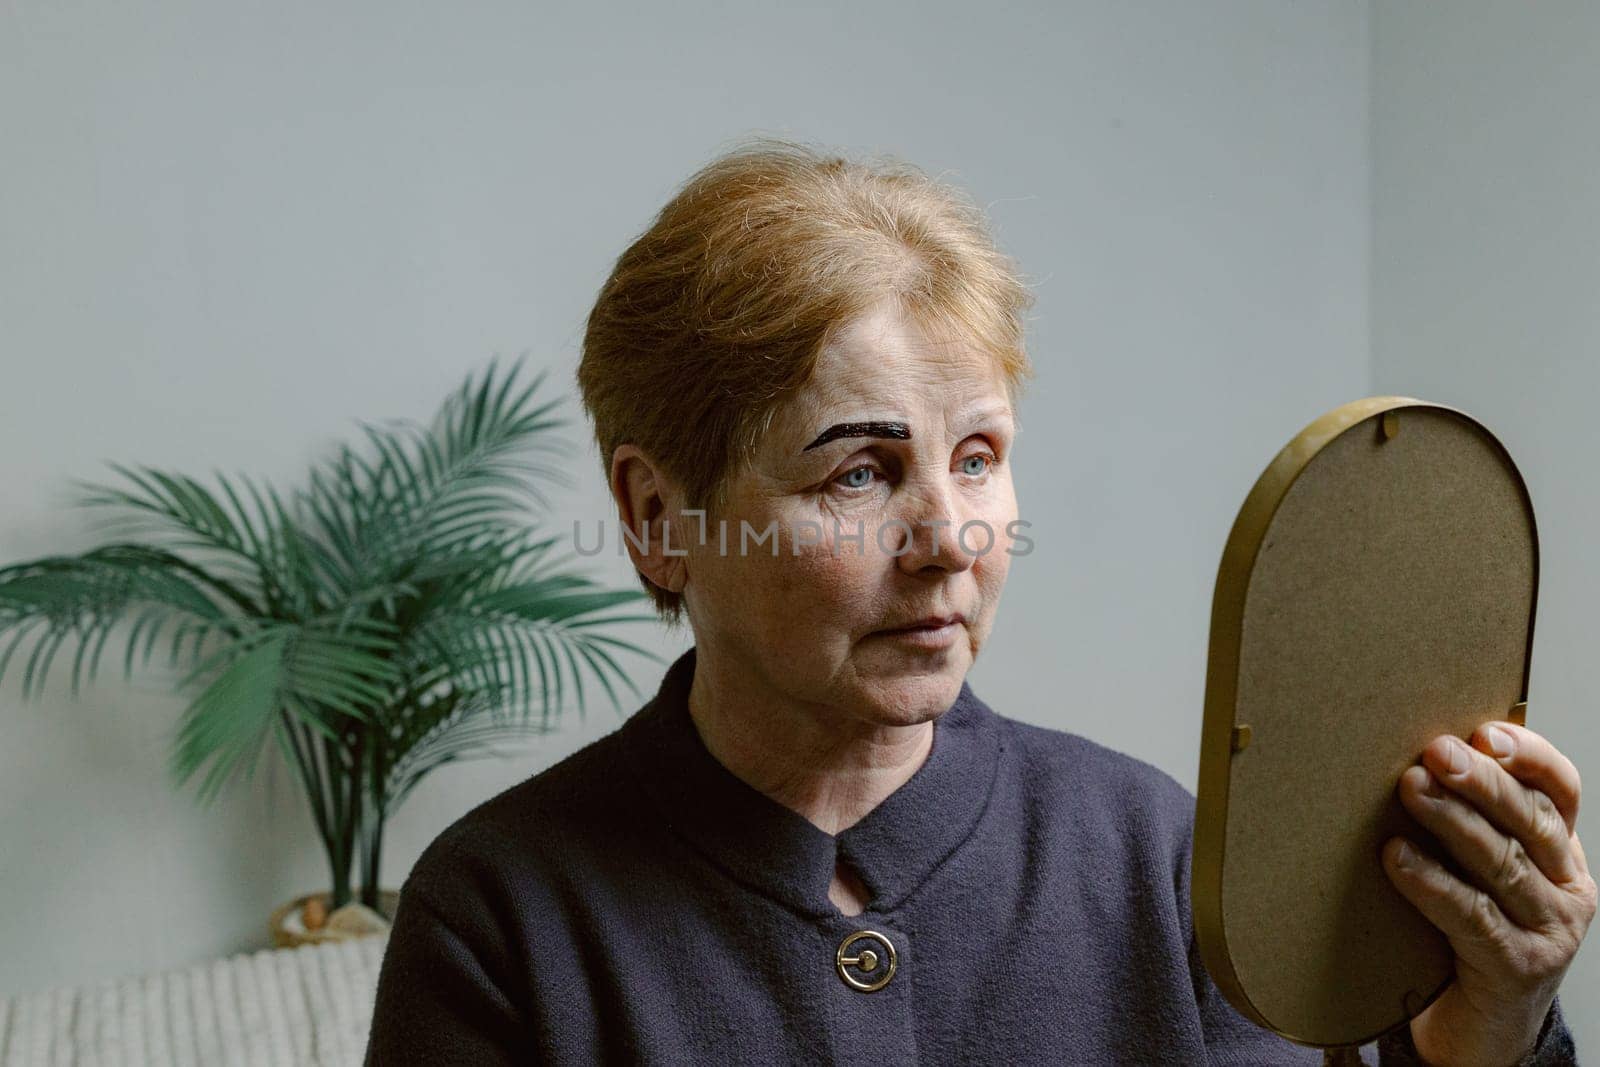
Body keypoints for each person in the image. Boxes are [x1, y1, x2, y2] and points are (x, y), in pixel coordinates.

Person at [363, 138, 1588, 1064]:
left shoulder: (1152, 854)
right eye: (859, 469)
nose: (948, 538)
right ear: (654, 516)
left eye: (979, 457)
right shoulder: (500, 916)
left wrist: (1489, 1031)